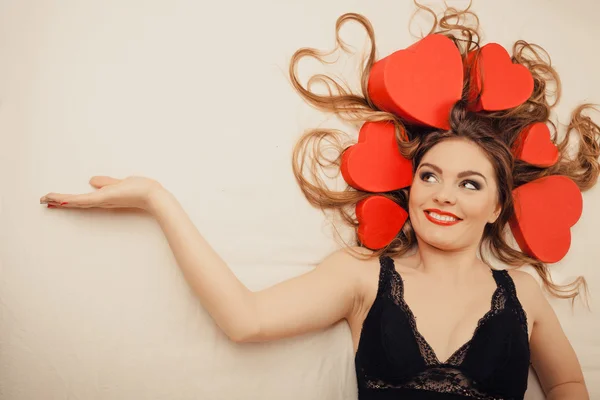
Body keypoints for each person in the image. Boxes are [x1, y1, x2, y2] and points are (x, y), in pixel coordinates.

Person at [40, 4, 598, 400]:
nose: (443, 195)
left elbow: (568, 383)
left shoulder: (521, 292)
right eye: (430, 175)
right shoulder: (361, 278)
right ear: (410, 187)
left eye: (470, 183)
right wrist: (156, 199)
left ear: (500, 206)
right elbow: (246, 320)